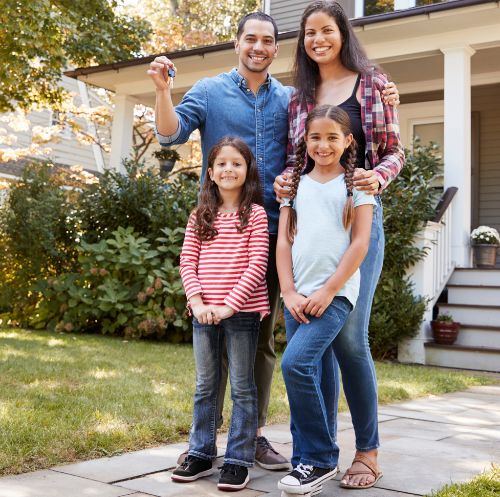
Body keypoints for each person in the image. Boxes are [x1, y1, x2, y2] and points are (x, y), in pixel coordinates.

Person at [149, 11, 399, 470]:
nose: (258, 47)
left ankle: (270, 439)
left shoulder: (320, 92)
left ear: (278, 48)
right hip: (248, 232)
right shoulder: (227, 92)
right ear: (237, 42)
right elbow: (170, 134)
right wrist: (163, 91)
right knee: (240, 341)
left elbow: (380, 148)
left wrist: (374, 174)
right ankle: (217, 444)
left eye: (268, 40)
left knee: (293, 342)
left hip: (313, 225)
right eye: (250, 39)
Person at [274, 0, 405, 489]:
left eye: (326, 30)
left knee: (351, 340)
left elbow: (394, 151)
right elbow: (295, 159)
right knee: (316, 344)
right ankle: (319, 452)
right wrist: (285, 185)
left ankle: (367, 453)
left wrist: (376, 178)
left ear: (341, 33)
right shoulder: (298, 95)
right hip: (311, 222)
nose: (318, 39)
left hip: (357, 216)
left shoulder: (373, 82)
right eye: (309, 32)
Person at [276, 105, 374, 496]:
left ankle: (319, 458)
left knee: (295, 364)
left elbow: (361, 243)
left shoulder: (358, 186)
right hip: (297, 295)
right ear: (305, 140)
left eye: (333, 137)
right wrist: (288, 292)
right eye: (316, 137)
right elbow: (283, 241)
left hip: (333, 295)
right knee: (312, 371)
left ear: (348, 141)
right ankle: (307, 460)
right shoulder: (293, 186)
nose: (323, 144)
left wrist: (330, 288)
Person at [174, 136, 270, 491]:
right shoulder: (201, 215)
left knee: (243, 387)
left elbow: (258, 263)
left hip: (241, 312)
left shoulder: (255, 214)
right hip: (203, 313)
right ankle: (200, 452)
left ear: (248, 171)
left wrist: (231, 303)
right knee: (205, 386)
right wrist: (197, 303)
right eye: (222, 164)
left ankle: (239, 459)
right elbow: (188, 261)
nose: (229, 169)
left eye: (237, 163)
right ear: (210, 173)